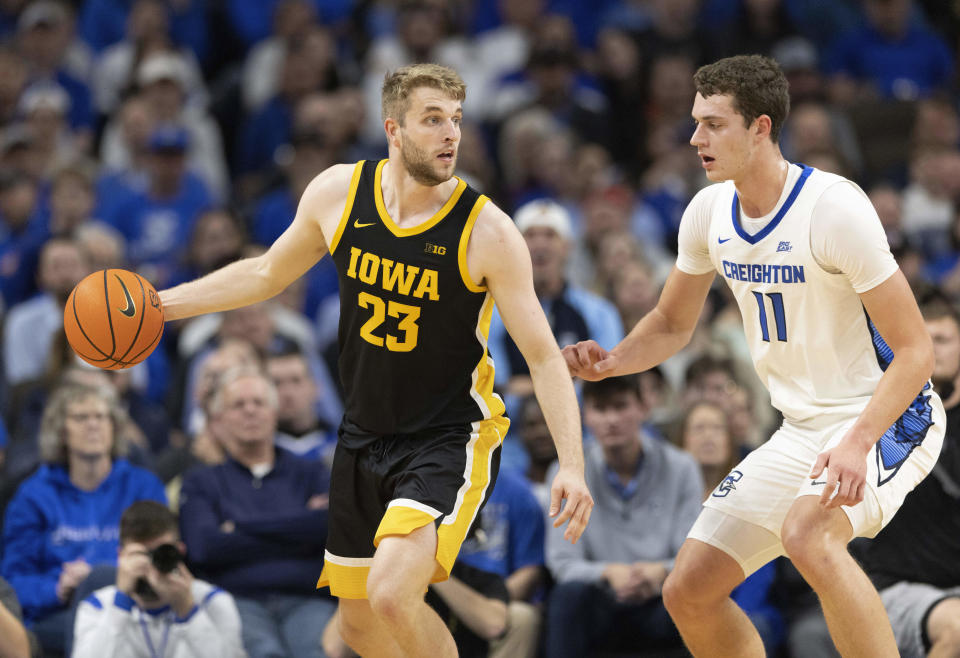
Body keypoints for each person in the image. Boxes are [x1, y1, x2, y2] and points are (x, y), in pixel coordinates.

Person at [158, 62, 592, 657]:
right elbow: (265, 274)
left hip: (448, 435)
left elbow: (543, 357)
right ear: (394, 128)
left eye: (457, 121)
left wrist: (571, 462)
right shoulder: (339, 193)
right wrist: (160, 305)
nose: (450, 135)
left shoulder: (487, 231)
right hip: (363, 434)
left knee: (393, 593)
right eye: (433, 120)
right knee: (361, 627)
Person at [563, 54, 944, 657]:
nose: (695, 138)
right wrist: (612, 361)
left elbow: (918, 351)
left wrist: (857, 440)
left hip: (891, 415)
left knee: (808, 536)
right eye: (695, 122)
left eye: (713, 124)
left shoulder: (833, 209)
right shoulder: (708, 212)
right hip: (802, 427)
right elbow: (669, 323)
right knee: (687, 590)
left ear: (761, 127)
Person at [1, 382, 167, 655]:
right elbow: (13, 580)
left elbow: (159, 558)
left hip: (135, 609)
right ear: (62, 431)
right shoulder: (33, 495)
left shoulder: (143, 486)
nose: (93, 425)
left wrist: (95, 574)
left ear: (114, 428)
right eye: (81, 417)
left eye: (101, 417)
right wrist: (57, 588)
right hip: (58, 616)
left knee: (100, 580)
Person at [178, 366, 332, 658]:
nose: (250, 411)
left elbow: (327, 528)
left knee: (314, 652)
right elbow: (203, 547)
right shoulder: (201, 481)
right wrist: (299, 524)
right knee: (264, 653)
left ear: (274, 413)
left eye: (259, 403)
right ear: (220, 420)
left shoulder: (312, 472)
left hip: (307, 597)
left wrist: (238, 528)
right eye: (238, 405)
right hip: (235, 599)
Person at [544, 375, 701, 657]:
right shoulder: (566, 473)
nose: (611, 419)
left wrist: (660, 571)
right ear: (585, 415)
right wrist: (608, 573)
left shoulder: (682, 467)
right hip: (601, 597)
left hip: (661, 596)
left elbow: (689, 557)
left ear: (644, 407)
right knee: (568, 597)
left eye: (621, 406)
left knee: (696, 599)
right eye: (600, 409)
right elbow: (562, 563)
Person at [853, 299, 960, 657]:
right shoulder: (877, 418)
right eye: (923, 340)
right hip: (897, 588)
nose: (932, 350)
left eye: (942, 340)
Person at [73, 500, 245, 658]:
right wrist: (121, 602)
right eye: (140, 555)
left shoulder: (214, 602)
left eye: (160, 555)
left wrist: (187, 610)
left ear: (180, 552)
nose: (150, 567)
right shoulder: (97, 607)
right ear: (121, 556)